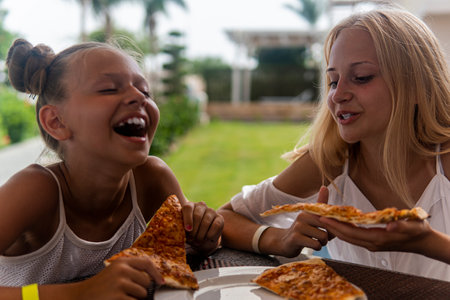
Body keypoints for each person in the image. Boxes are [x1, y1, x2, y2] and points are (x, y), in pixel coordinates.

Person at [218, 7, 450, 282]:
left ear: (416, 86)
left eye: (361, 77)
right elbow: (225, 218)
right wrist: (281, 239)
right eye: (332, 81)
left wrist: (427, 242)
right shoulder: (329, 163)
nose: (338, 95)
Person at [0, 38, 224, 299]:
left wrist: (204, 236)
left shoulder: (152, 178)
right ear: (56, 121)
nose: (138, 97)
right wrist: (81, 293)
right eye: (108, 89)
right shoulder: (34, 190)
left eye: (145, 91)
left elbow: (192, 244)